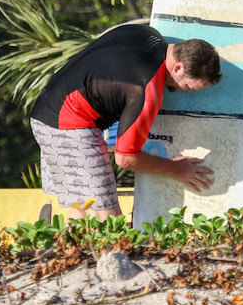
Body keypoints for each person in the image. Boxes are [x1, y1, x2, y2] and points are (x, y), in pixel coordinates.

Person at [30, 23, 221, 220]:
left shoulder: (146, 33)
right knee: (108, 220)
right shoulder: (148, 90)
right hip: (68, 127)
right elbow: (127, 158)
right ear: (178, 67)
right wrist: (176, 169)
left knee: (85, 209)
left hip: (46, 109)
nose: (185, 91)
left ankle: (65, 246)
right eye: (189, 86)